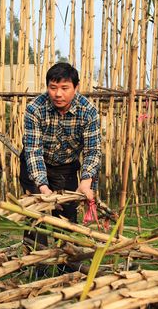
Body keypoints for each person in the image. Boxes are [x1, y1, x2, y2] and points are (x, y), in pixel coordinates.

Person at [20, 62, 101, 245]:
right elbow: (33, 151)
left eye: (65, 88)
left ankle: (68, 264)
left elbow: (93, 150)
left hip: (66, 167)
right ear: (47, 87)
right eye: (53, 87)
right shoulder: (35, 109)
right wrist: (42, 186)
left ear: (76, 87)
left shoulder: (88, 111)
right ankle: (36, 265)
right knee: (34, 214)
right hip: (35, 165)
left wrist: (87, 181)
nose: (58, 94)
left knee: (66, 218)